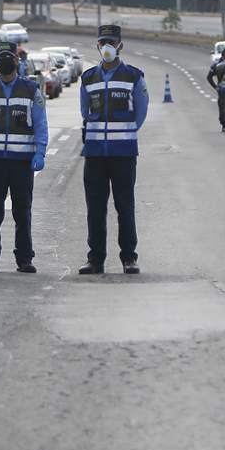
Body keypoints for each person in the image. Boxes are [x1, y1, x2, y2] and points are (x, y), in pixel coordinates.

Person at [0, 41, 49, 274]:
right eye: (1, 58)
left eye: (9, 57)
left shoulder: (31, 89)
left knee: (22, 212)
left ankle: (24, 259)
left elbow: (41, 124)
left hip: (22, 162)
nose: (5, 62)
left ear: (16, 61)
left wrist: (40, 151)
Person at [79, 24, 149, 275]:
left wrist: (124, 133)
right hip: (95, 153)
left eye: (111, 42)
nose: (106, 47)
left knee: (124, 206)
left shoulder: (133, 76)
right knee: (95, 209)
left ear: (120, 45)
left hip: (123, 153)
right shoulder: (88, 78)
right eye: (102, 43)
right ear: (97, 46)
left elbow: (140, 112)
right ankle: (95, 259)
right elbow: (85, 111)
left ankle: (129, 257)